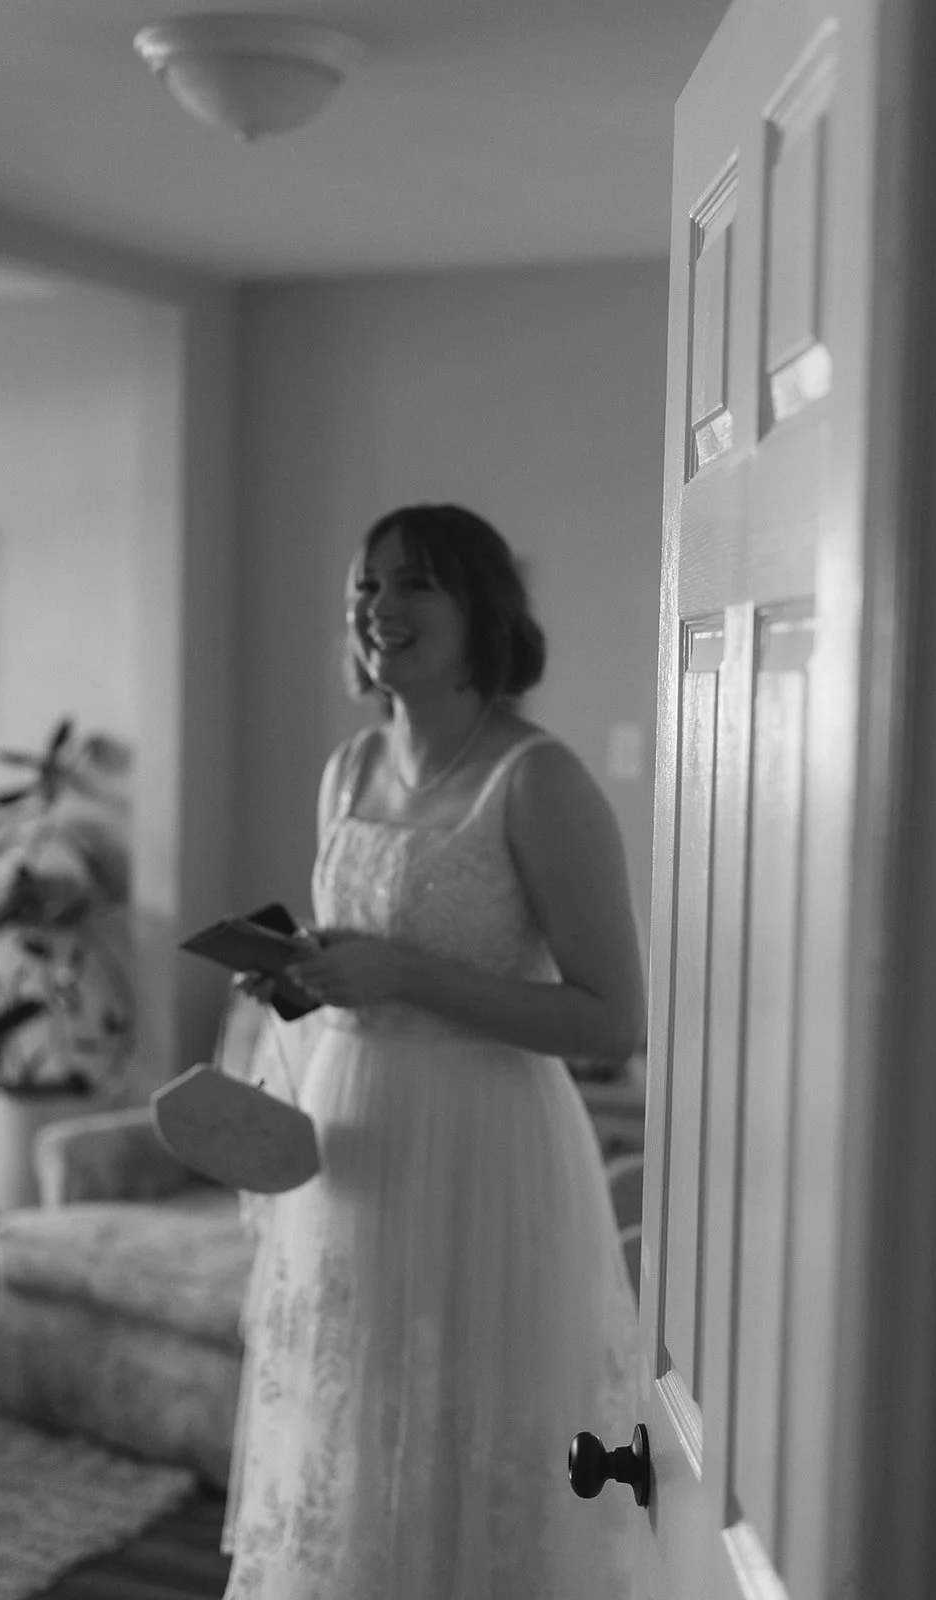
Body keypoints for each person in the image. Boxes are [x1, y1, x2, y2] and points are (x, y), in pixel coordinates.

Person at [222, 503, 646, 1600]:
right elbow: (361, 961)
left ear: (480, 608)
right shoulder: (347, 766)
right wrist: (297, 973)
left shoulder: (536, 779)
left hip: (485, 1152)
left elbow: (612, 1020)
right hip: (349, 1138)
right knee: (354, 1423)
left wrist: (405, 977)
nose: (378, 608)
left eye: (413, 585)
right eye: (365, 586)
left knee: (474, 1434)